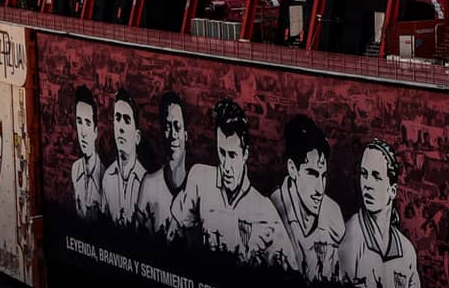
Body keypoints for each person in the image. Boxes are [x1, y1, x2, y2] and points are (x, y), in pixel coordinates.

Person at [166, 98, 281, 258]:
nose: (226, 165)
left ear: (245, 154)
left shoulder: (265, 210)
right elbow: (174, 233)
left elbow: (290, 273)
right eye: (222, 152)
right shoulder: (199, 179)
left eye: (233, 155)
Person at [339, 140, 421, 288]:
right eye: (364, 174)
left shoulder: (407, 252)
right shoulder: (350, 239)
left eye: (376, 176)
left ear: (392, 191)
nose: (367, 183)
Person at [272, 114, 344, 278]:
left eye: (323, 175)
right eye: (311, 174)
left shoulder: (333, 215)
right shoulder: (272, 212)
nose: (320, 188)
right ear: (292, 169)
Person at [137, 92, 189, 236]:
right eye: (167, 127)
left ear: (185, 135)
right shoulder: (149, 185)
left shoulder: (198, 189)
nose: (173, 135)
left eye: (177, 127)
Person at [101, 89, 146, 225]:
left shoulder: (146, 182)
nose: (121, 127)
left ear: (137, 136)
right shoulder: (107, 178)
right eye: (117, 118)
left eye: (127, 120)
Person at [69, 86, 104, 219]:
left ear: (95, 131)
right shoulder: (75, 169)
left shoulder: (104, 177)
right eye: (79, 122)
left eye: (88, 123)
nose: (83, 132)